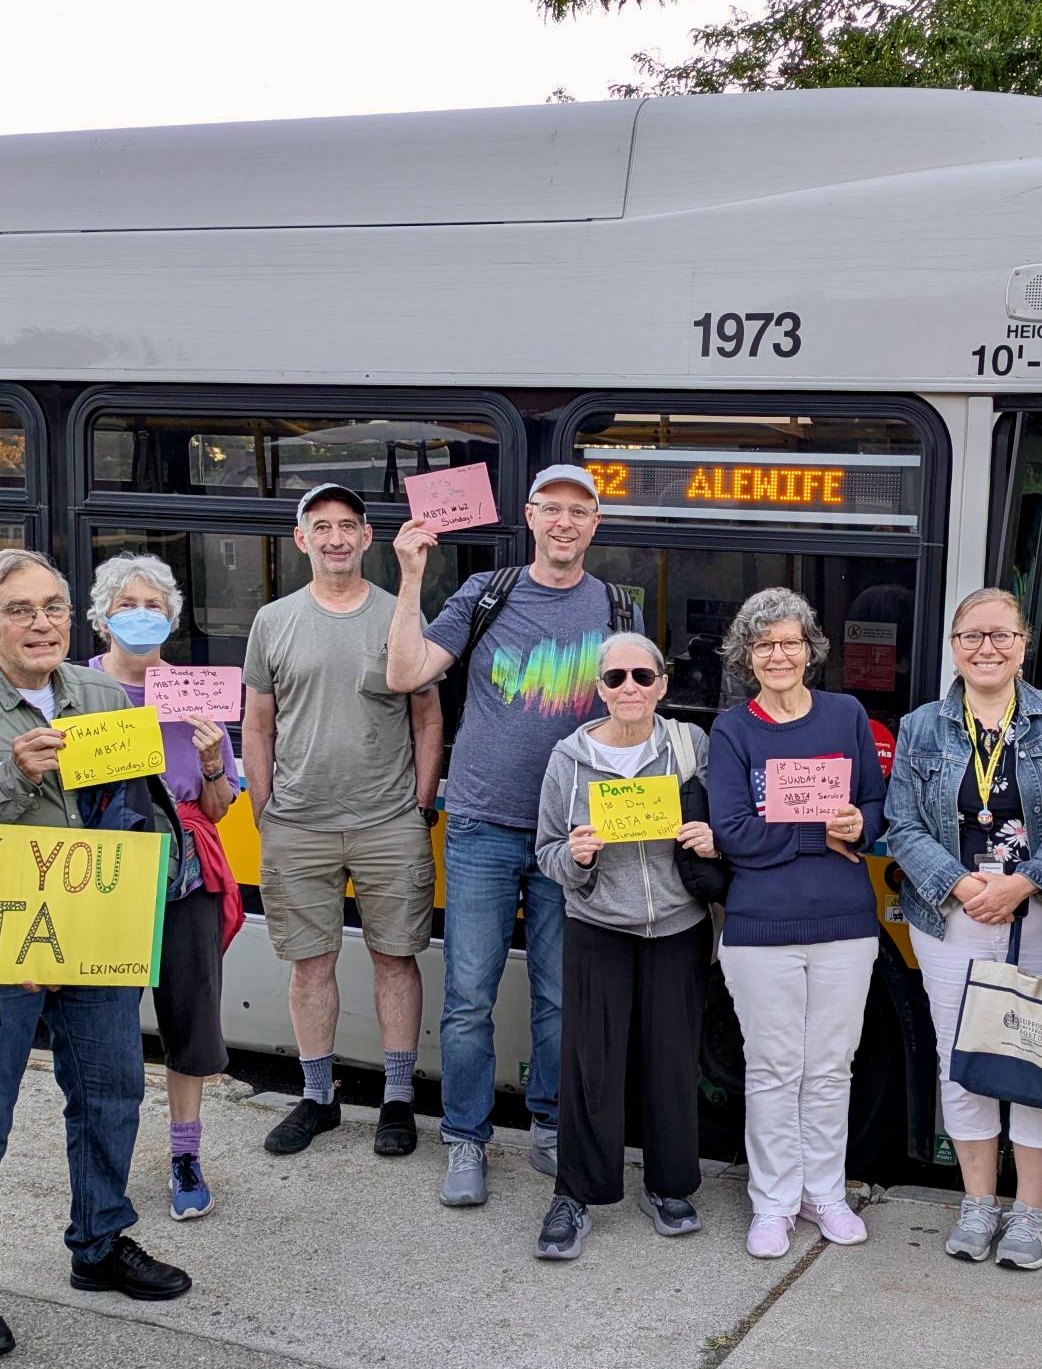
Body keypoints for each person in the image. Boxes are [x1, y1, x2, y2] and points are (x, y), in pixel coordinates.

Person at [0, 547, 191, 1362]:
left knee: (112, 1091)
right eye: (20, 609)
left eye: (54, 607)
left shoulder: (100, 693)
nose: (41, 623)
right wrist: (8, 778)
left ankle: (100, 1243)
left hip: (94, 929)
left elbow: (130, 804)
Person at [385, 464, 640, 1207]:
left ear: (596, 525)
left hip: (574, 835)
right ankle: (465, 1140)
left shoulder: (619, 609)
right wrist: (409, 577)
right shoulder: (484, 594)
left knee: (561, 996)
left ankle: (550, 1127)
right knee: (468, 994)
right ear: (530, 516)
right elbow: (405, 673)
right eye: (552, 509)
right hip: (481, 826)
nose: (564, 522)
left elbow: (635, 721)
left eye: (580, 511)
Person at [883, 588, 1042, 1270]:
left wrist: (1025, 880)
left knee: (1038, 1053)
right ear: (953, 645)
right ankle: (978, 1202)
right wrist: (961, 884)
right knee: (962, 1059)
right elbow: (902, 825)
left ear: (1023, 643)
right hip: (954, 917)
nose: (987, 648)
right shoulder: (921, 726)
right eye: (972, 636)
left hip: (1040, 913)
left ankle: (1031, 1212)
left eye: (1001, 636)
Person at [241, 485, 443, 1162]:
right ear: (301, 540)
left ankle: (396, 1099)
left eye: (347, 526)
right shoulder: (272, 622)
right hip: (298, 823)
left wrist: (419, 804)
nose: (334, 538)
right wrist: (265, 812)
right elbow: (258, 723)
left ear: (366, 538)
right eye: (321, 526)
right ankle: (318, 1097)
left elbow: (426, 717)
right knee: (310, 966)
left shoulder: (400, 614)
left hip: (389, 819)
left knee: (396, 958)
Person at [530, 632, 724, 1259]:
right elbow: (546, 851)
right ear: (599, 690)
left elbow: (730, 820)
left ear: (663, 685)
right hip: (598, 927)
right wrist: (577, 857)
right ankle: (575, 1194)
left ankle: (670, 1186)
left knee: (672, 1060)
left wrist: (709, 836)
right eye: (616, 678)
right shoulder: (570, 758)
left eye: (643, 676)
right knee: (592, 1064)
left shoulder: (690, 746)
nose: (630, 689)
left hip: (677, 925)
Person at [708, 588, 888, 1259]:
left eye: (790, 642)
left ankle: (825, 1194)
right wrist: (820, 836)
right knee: (774, 1067)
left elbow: (873, 805)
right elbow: (732, 833)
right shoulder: (734, 730)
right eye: (764, 644)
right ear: (747, 655)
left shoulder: (845, 716)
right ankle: (773, 1203)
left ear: (810, 650)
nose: (778, 654)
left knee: (832, 1067)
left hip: (846, 924)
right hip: (760, 929)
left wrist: (860, 825)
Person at [88, 552, 244, 1219]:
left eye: (154, 606)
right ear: (101, 619)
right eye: (128, 604)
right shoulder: (75, 691)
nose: (141, 616)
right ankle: (102, 1157)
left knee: (189, 1021)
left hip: (185, 877)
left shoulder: (194, 695)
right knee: (102, 1027)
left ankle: (185, 1153)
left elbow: (215, 809)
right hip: (100, 881)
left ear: (172, 618)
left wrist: (212, 764)